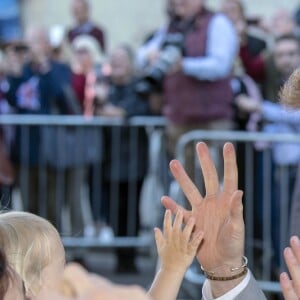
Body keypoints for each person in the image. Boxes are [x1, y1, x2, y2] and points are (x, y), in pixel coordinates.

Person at [137, 0, 238, 180]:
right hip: (179, 120)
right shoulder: (170, 27)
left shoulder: (217, 23)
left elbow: (220, 65)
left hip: (212, 121)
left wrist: (183, 65)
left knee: (216, 185)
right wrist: (150, 56)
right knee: (184, 184)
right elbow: (141, 56)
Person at [95, 44, 150, 272]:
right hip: (107, 157)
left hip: (132, 157)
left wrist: (115, 111)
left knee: (131, 208)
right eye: (113, 58)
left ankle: (129, 258)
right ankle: (120, 256)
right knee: (113, 208)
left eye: (121, 59)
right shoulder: (103, 86)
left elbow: (138, 109)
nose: (117, 63)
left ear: (130, 63)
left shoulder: (138, 86)